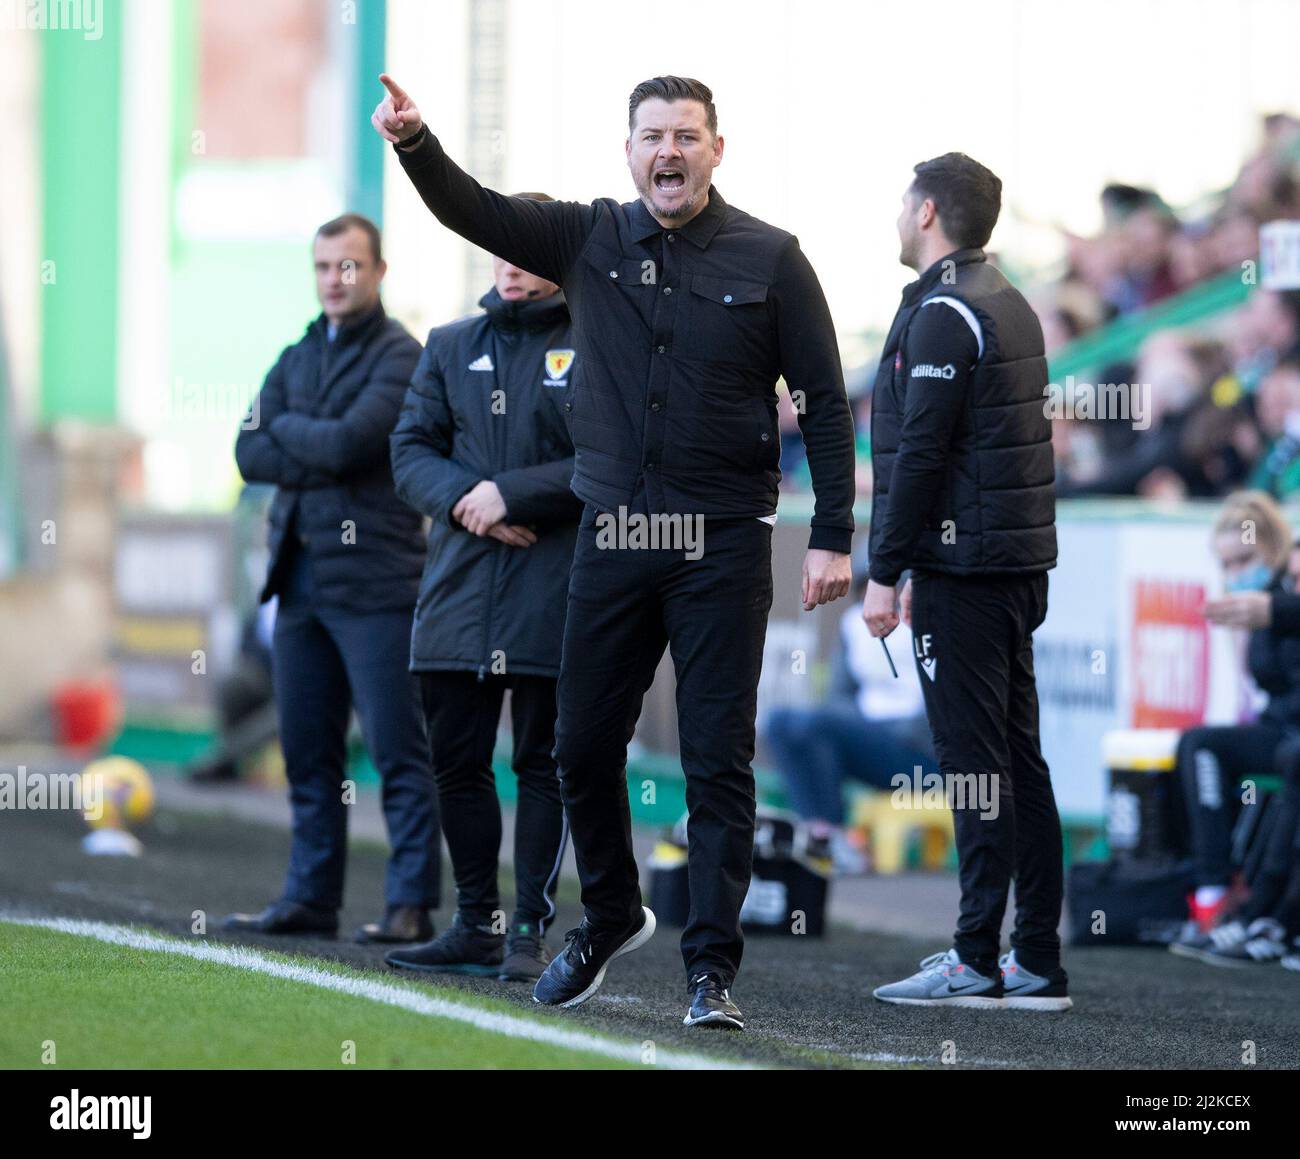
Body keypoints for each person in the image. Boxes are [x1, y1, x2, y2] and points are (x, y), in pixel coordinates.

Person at [372, 73, 856, 1029]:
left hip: (722, 541)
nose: (667, 151)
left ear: (719, 149)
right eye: (650, 136)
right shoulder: (584, 235)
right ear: (627, 151)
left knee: (721, 761)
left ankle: (711, 971)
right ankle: (607, 915)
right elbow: (475, 209)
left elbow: (826, 402)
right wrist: (416, 142)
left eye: (685, 135)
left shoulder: (775, 258)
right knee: (578, 747)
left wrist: (834, 532)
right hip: (614, 534)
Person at [861, 154, 1068, 1011]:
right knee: (1020, 763)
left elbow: (919, 460)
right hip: (1009, 566)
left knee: (977, 767)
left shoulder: (948, 311)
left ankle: (976, 956)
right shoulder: (1008, 298)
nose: (897, 212)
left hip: (968, 573)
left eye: (905, 200)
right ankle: (1037, 960)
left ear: (929, 211)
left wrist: (886, 571)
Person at [224, 213, 441, 944]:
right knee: (307, 751)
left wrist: (289, 430)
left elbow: (352, 443)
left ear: (378, 272)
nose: (334, 280)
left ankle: (411, 903)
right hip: (299, 581)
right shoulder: (296, 353)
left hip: (378, 583)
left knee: (397, 750)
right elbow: (247, 451)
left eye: (348, 266)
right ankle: (310, 897)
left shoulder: (402, 355)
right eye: (323, 267)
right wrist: (299, 437)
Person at [383, 199, 580, 983]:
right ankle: (474, 922)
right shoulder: (450, 343)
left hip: (553, 587)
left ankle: (528, 931)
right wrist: (476, 499)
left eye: (521, 247)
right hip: (461, 589)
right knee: (457, 763)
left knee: (542, 764)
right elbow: (408, 452)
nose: (507, 259)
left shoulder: (595, 344)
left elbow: (609, 458)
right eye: (497, 246)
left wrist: (515, 495)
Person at [1168, 494, 1300, 965]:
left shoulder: (1282, 594)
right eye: (1228, 564)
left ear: (1273, 545)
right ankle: (1213, 888)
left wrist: (1274, 609)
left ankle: (1267, 910)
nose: (1237, 571)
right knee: (1200, 744)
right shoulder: (1249, 608)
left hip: (1293, 738)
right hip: (1280, 728)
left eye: (1245, 558)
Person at [764, 553, 935, 873]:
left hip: (920, 754)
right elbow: (838, 698)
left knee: (820, 726)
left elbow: (943, 712)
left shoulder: (931, 622)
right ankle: (822, 832)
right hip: (867, 736)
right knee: (779, 723)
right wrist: (859, 727)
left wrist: (869, 728)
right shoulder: (856, 624)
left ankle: (835, 839)